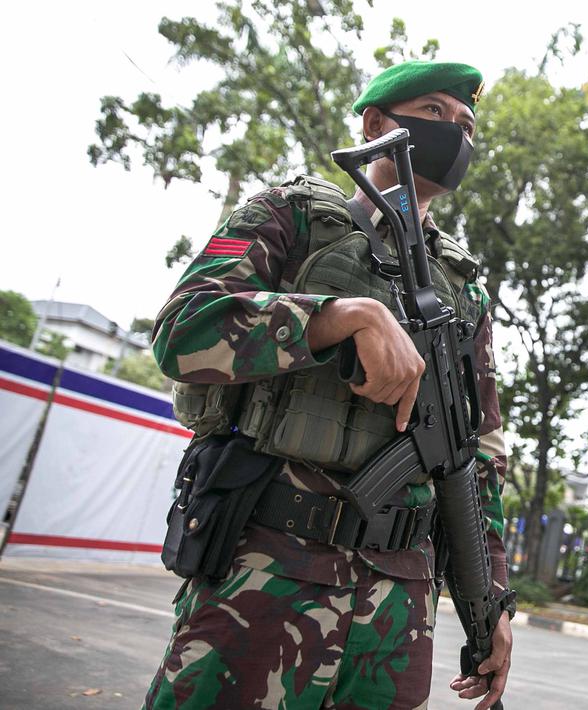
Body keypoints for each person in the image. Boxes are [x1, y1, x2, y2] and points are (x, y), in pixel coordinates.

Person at [143, 60, 513, 710]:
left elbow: (474, 454)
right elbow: (182, 331)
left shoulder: (464, 291)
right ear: (375, 125)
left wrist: (492, 606)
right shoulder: (289, 218)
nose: (455, 134)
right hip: (265, 570)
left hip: (398, 607)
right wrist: (335, 318)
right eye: (434, 113)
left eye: (466, 125)